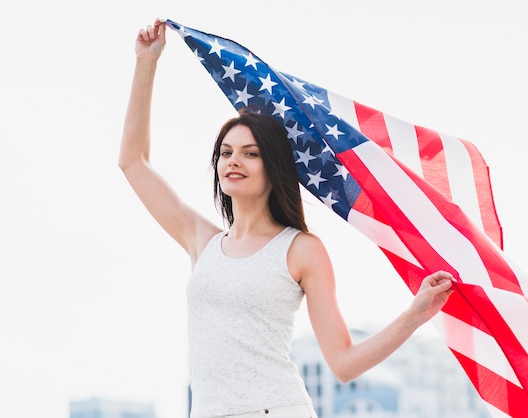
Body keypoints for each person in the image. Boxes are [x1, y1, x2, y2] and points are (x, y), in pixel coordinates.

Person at [119, 19, 455, 418]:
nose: (233, 161)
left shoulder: (301, 249)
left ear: (273, 166)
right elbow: (133, 163)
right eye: (226, 152)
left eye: (250, 153)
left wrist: (415, 314)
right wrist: (146, 63)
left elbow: (344, 362)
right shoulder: (202, 241)